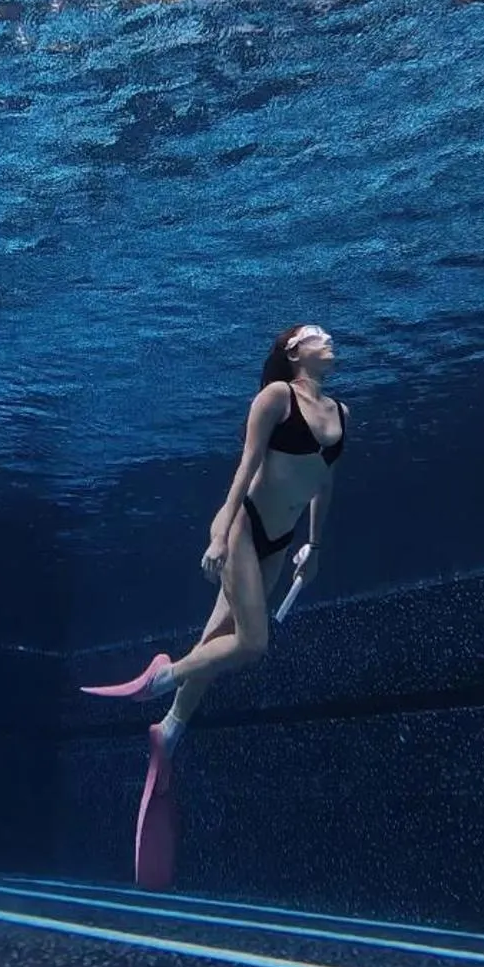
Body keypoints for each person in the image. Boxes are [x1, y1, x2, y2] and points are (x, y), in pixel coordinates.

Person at [81, 323, 348, 884]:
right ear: (293, 352)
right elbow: (246, 467)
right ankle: (163, 678)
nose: (328, 338)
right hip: (246, 530)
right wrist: (222, 531)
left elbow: (323, 483)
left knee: (220, 642)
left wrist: (316, 547)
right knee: (252, 642)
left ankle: (170, 729)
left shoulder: (341, 413)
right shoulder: (276, 398)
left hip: (280, 542)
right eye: (314, 334)